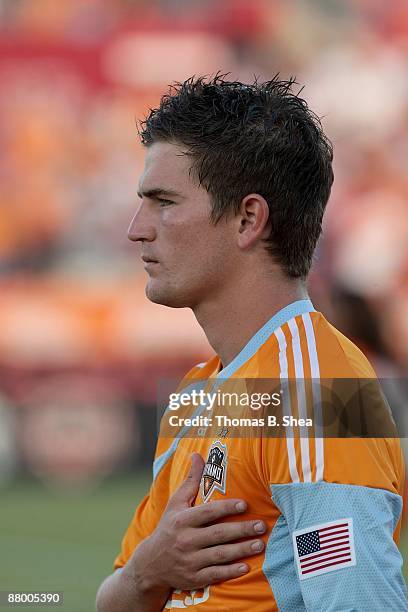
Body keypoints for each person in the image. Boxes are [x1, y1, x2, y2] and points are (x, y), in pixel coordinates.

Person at [96, 75, 406, 611]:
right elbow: (118, 596)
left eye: (163, 201)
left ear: (247, 219)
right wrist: (148, 571)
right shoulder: (200, 391)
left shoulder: (315, 392)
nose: (136, 228)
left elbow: (358, 602)